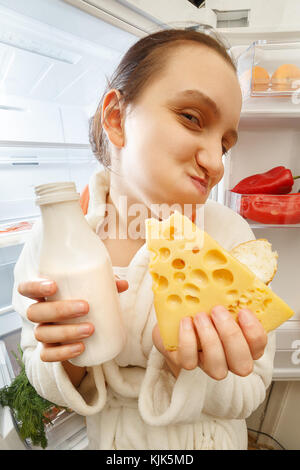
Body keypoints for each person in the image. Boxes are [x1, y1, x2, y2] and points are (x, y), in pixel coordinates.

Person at [13, 29, 275, 450]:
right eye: (192, 118)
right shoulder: (56, 240)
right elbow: (39, 369)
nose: (215, 163)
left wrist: (186, 365)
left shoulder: (228, 235)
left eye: (225, 144)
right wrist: (69, 358)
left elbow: (250, 392)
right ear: (116, 118)